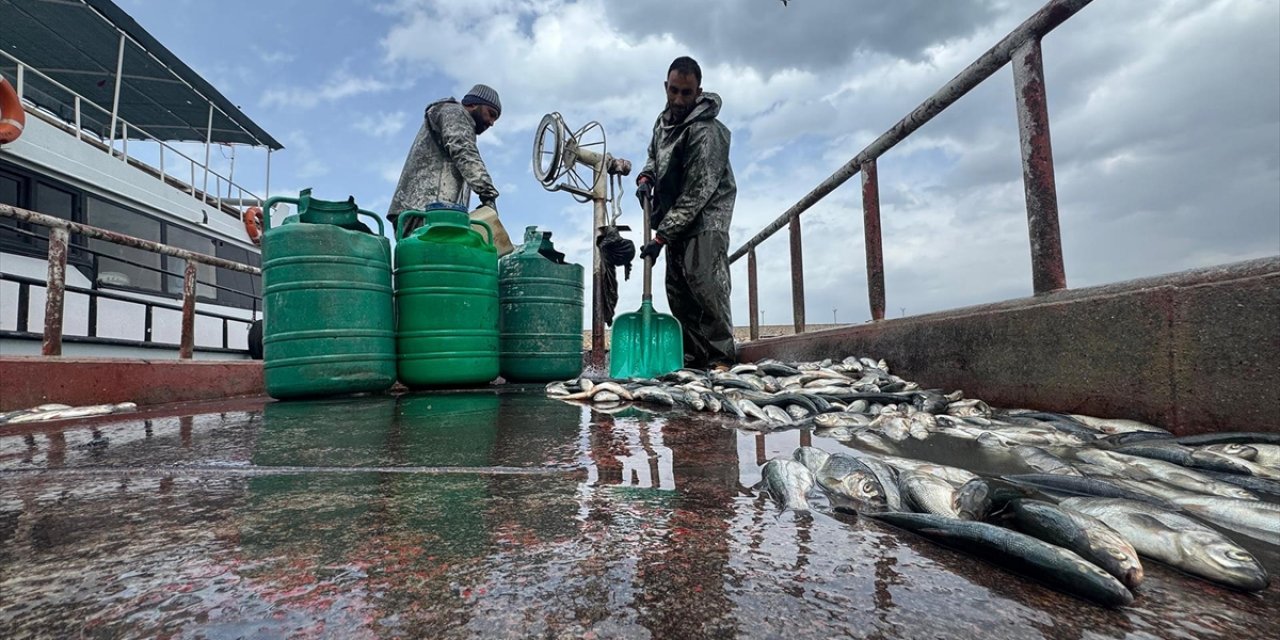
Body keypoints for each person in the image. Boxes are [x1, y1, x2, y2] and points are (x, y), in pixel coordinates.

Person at [635, 56, 737, 369]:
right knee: (677, 290)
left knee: (705, 284)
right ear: (666, 87)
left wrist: (661, 236)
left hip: (706, 217)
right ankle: (694, 356)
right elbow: (655, 155)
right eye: (674, 91)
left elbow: (698, 192)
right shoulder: (663, 121)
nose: (679, 99)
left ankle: (720, 359)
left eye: (686, 93)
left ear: (699, 91)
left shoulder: (707, 132)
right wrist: (646, 177)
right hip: (673, 218)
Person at [387, 84, 502, 234]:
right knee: (436, 255)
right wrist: (488, 194)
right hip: (425, 209)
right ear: (473, 104)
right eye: (491, 113)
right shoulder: (454, 112)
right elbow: (464, 151)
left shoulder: (458, 121)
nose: (491, 123)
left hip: (432, 212)